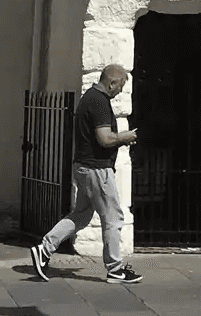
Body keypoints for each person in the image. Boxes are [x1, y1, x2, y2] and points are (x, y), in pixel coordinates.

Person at [30, 64, 143, 284]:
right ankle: (115, 269)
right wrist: (125, 137)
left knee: (81, 215)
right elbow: (105, 139)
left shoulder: (90, 97)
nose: (120, 90)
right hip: (96, 169)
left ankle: (45, 248)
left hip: (84, 167)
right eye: (120, 86)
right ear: (111, 82)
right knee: (113, 217)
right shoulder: (99, 102)